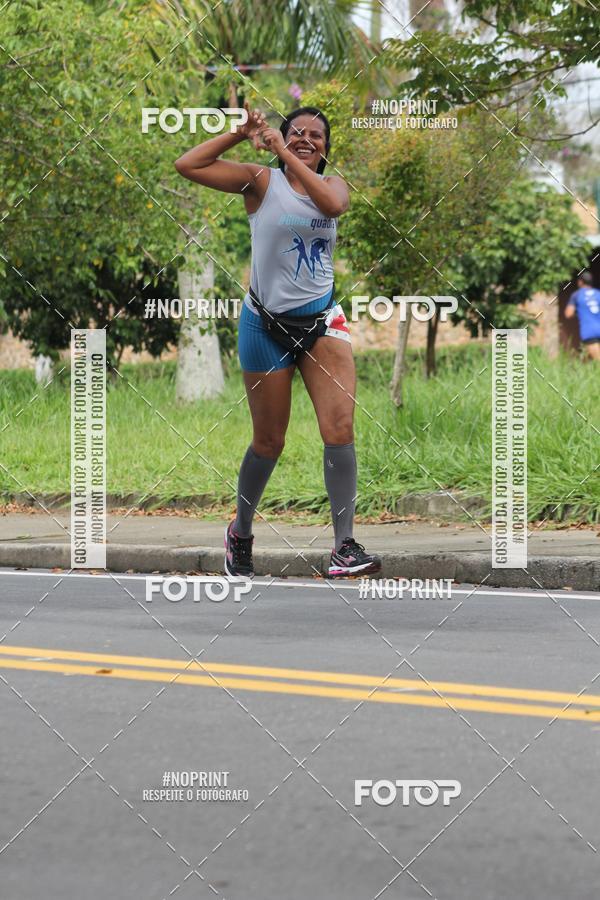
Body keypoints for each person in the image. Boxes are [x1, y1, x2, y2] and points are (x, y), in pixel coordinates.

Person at [175, 104, 382, 578]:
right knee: (269, 441)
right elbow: (187, 166)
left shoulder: (333, 186)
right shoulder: (259, 182)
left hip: (322, 322)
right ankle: (241, 532)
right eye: (298, 133)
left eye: (318, 136)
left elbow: (333, 208)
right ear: (281, 137)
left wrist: (285, 151)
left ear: (327, 148)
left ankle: (343, 546)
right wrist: (239, 133)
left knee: (340, 429)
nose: (309, 140)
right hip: (263, 324)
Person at [565, 270, 600, 360]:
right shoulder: (598, 294)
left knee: (598, 362)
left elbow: (568, 314)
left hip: (590, 332)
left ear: (580, 282)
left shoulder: (576, 295)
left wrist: (579, 312)